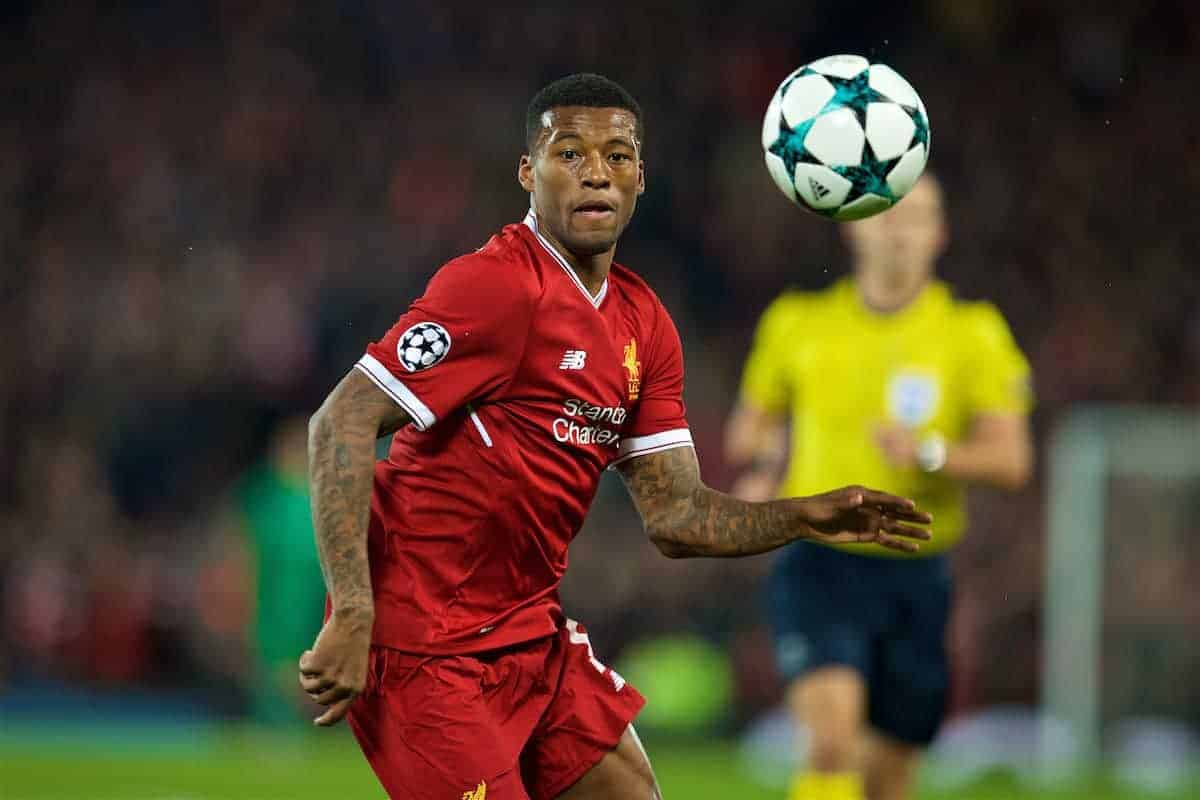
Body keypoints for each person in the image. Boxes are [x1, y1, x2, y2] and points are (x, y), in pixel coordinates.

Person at [296, 73, 932, 800]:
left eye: (618, 155)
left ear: (640, 180)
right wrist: (354, 611)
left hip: (526, 634)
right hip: (421, 646)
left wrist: (805, 515)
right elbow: (339, 421)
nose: (597, 171)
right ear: (529, 174)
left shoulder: (643, 323)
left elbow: (677, 517)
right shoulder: (495, 287)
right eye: (570, 153)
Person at [725, 174, 1033, 800]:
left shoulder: (972, 333)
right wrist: (767, 461)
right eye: (886, 214)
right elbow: (747, 431)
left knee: (887, 777)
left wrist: (932, 452)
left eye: (917, 216)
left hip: (915, 569)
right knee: (832, 739)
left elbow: (1012, 459)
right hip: (819, 562)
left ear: (939, 235)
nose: (898, 229)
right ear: (852, 227)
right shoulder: (797, 323)